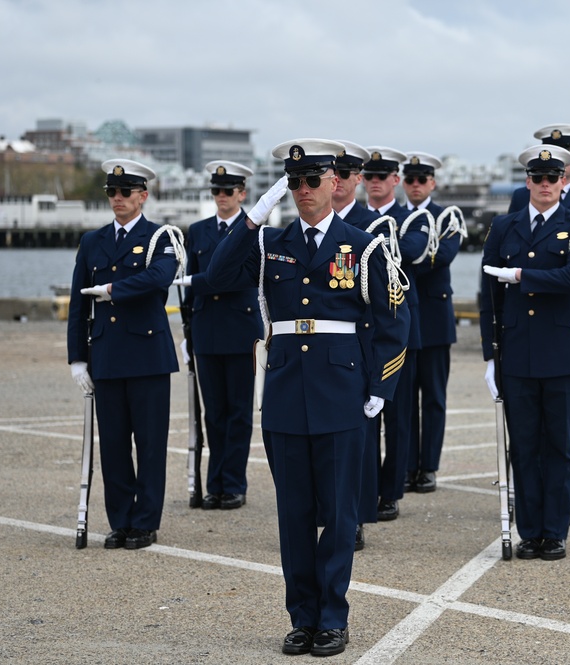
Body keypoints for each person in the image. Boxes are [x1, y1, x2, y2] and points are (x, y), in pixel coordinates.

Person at [205, 139, 409, 657]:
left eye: (310, 182)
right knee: (294, 515)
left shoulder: (363, 246)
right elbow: (218, 276)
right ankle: (302, 617)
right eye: (292, 184)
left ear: (334, 183)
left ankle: (333, 618)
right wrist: (253, 218)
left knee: (340, 516)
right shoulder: (270, 244)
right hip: (285, 395)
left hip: (342, 395)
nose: (302, 192)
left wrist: (380, 389)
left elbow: (393, 321)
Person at [480, 145, 570, 561]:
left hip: (563, 352)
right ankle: (530, 531)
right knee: (525, 445)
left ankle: (555, 531)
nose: (546, 185)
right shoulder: (504, 226)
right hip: (516, 352)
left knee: (560, 446)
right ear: (528, 182)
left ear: (564, 181)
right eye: (538, 178)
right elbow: (488, 295)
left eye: (553, 178)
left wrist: (521, 275)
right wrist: (489, 355)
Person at [66, 159, 181, 550]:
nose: (118, 198)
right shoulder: (92, 242)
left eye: (126, 192)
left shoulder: (161, 236)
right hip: (108, 354)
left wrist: (114, 290)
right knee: (113, 445)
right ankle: (121, 521)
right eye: (112, 192)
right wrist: (77, 358)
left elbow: (160, 277)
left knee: (150, 445)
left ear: (143, 196)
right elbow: (77, 304)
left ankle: (145, 522)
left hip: (148, 354)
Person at [174, 160, 263, 511]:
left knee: (239, 413)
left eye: (228, 191)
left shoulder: (253, 231)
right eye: (216, 191)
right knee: (213, 414)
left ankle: (234, 484)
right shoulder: (197, 231)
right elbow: (188, 286)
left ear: (242, 194)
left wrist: (199, 281)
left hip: (241, 332)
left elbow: (241, 278)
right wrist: (187, 332)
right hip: (207, 330)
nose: (221, 196)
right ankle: (214, 484)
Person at [362, 146, 430, 522]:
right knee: (365, 417)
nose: (374, 183)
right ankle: (366, 487)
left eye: (381, 177)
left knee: (399, 417)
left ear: (395, 181)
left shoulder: (411, 218)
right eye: (368, 177)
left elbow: (409, 252)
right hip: (362, 331)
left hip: (400, 331)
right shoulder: (351, 218)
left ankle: (391, 491)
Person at [331, 140, 381, 551]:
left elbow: (388, 301)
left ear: (355, 179)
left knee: (362, 439)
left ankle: (358, 515)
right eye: (332, 174)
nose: (337, 182)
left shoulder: (374, 225)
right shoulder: (311, 225)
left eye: (345, 174)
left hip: (362, 343)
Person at [402, 152, 460, 493]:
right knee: (406, 398)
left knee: (434, 397)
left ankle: (429, 467)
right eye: (409, 180)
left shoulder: (447, 216)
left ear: (432, 183)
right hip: (406, 318)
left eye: (421, 180)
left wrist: (407, 262)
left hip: (435, 319)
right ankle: (408, 465)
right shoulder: (394, 219)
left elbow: (445, 256)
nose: (415, 186)